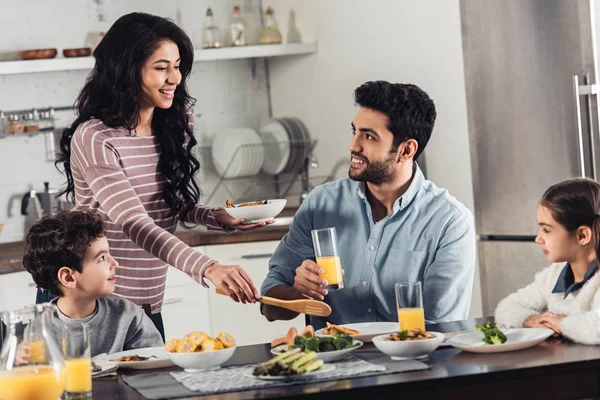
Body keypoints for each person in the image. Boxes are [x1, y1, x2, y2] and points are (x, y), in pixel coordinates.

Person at [52, 12, 269, 338]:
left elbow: (169, 203)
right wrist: (207, 267)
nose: (175, 78)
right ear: (126, 70)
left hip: (147, 302)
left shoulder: (175, 122)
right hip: (91, 307)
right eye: (161, 67)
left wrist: (215, 217)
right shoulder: (96, 137)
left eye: (177, 65)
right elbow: (135, 222)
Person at [261, 81, 476, 329]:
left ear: (406, 150)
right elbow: (270, 306)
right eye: (355, 131)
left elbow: (442, 327)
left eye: (369, 136)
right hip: (333, 362)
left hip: (413, 362)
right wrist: (298, 293)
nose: (354, 145)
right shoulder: (320, 204)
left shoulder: (449, 221)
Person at [19, 210, 163, 360]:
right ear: (68, 277)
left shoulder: (129, 317)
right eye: (101, 258)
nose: (115, 263)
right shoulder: (39, 330)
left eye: (109, 254)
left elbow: (156, 367)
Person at [495, 179, 600, 345]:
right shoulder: (554, 274)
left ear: (582, 236)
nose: (538, 238)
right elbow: (506, 307)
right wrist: (531, 320)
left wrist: (561, 324)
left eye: (546, 230)